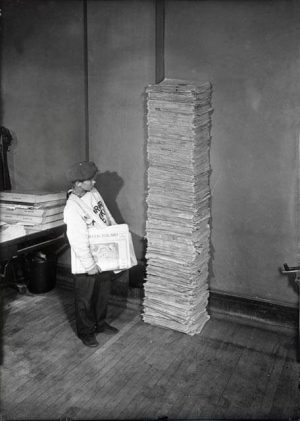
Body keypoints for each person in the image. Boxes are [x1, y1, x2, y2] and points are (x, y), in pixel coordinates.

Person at [64, 160, 119, 347]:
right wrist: (89, 265)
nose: (94, 182)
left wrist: (115, 232)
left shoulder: (93, 192)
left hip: (103, 254)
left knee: (103, 292)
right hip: (86, 261)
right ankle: (86, 332)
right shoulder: (72, 207)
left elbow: (106, 214)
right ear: (78, 183)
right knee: (85, 299)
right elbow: (77, 240)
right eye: (89, 180)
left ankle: (100, 324)